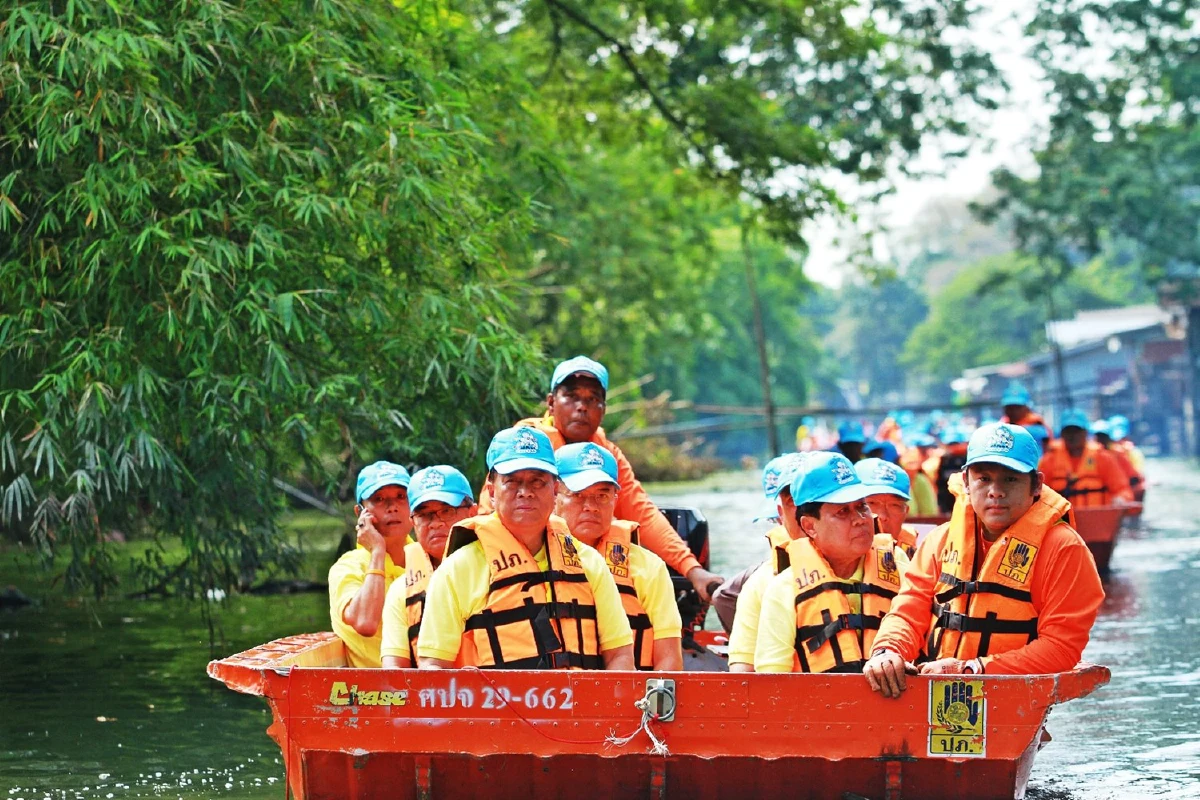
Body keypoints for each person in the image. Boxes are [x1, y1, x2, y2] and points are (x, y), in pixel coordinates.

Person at [863, 423, 1105, 697]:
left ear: (1036, 484)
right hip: (931, 689)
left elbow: (1061, 648)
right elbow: (908, 611)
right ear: (966, 481)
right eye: (984, 478)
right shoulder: (940, 540)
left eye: (1010, 479)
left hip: (1012, 696)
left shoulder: (1064, 549)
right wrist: (887, 650)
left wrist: (972, 669)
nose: (996, 491)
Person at [497, 356, 724, 601]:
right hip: (527, 569)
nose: (582, 407)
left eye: (593, 399)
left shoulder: (607, 455)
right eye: (572, 397)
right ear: (551, 403)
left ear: (603, 410)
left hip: (586, 569)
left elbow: (642, 513)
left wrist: (693, 570)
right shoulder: (524, 447)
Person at [416, 427, 634, 670]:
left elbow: (620, 655)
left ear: (554, 490)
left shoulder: (589, 563)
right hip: (492, 707)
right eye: (512, 481)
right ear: (492, 492)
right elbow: (432, 667)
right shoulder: (456, 570)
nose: (526, 492)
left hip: (581, 706)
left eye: (537, 481)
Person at [754, 452, 911, 673]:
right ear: (810, 526)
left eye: (862, 506)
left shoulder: (899, 567)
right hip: (816, 705)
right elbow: (771, 685)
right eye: (842, 511)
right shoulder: (784, 590)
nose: (860, 519)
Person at [553, 442, 683, 670]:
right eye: (578, 494)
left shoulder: (648, 567)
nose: (591, 506)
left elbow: (668, 656)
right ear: (553, 495)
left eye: (602, 496)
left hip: (632, 698)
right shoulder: (535, 556)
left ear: (615, 498)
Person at [380, 466, 478, 668]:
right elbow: (393, 672)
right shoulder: (401, 591)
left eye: (447, 511)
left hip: (503, 694)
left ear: (473, 512)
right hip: (434, 696)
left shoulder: (498, 566)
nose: (435, 523)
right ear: (412, 522)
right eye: (424, 515)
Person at [721, 454, 810, 672]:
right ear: (781, 513)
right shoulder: (761, 582)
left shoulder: (895, 563)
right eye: (791, 504)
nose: (802, 514)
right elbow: (744, 675)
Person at [328, 461, 412, 667]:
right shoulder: (348, 567)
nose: (392, 507)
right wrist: (377, 551)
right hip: (377, 694)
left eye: (401, 497)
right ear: (360, 512)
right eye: (379, 499)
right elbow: (365, 622)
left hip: (436, 690)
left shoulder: (429, 558)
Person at [1039, 410, 1134, 508]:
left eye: (1077, 431)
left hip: (1097, 519)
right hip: (1061, 521)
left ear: (1085, 432)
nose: (1072, 436)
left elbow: (1122, 489)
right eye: (1068, 431)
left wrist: (1121, 499)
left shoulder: (1103, 458)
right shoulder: (1049, 461)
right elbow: (1039, 494)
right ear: (1062, 433)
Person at [856, 458, 920, 556]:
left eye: (894, 505)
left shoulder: (913, 560)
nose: (882, 516)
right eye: (871, 503)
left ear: (905, 512)